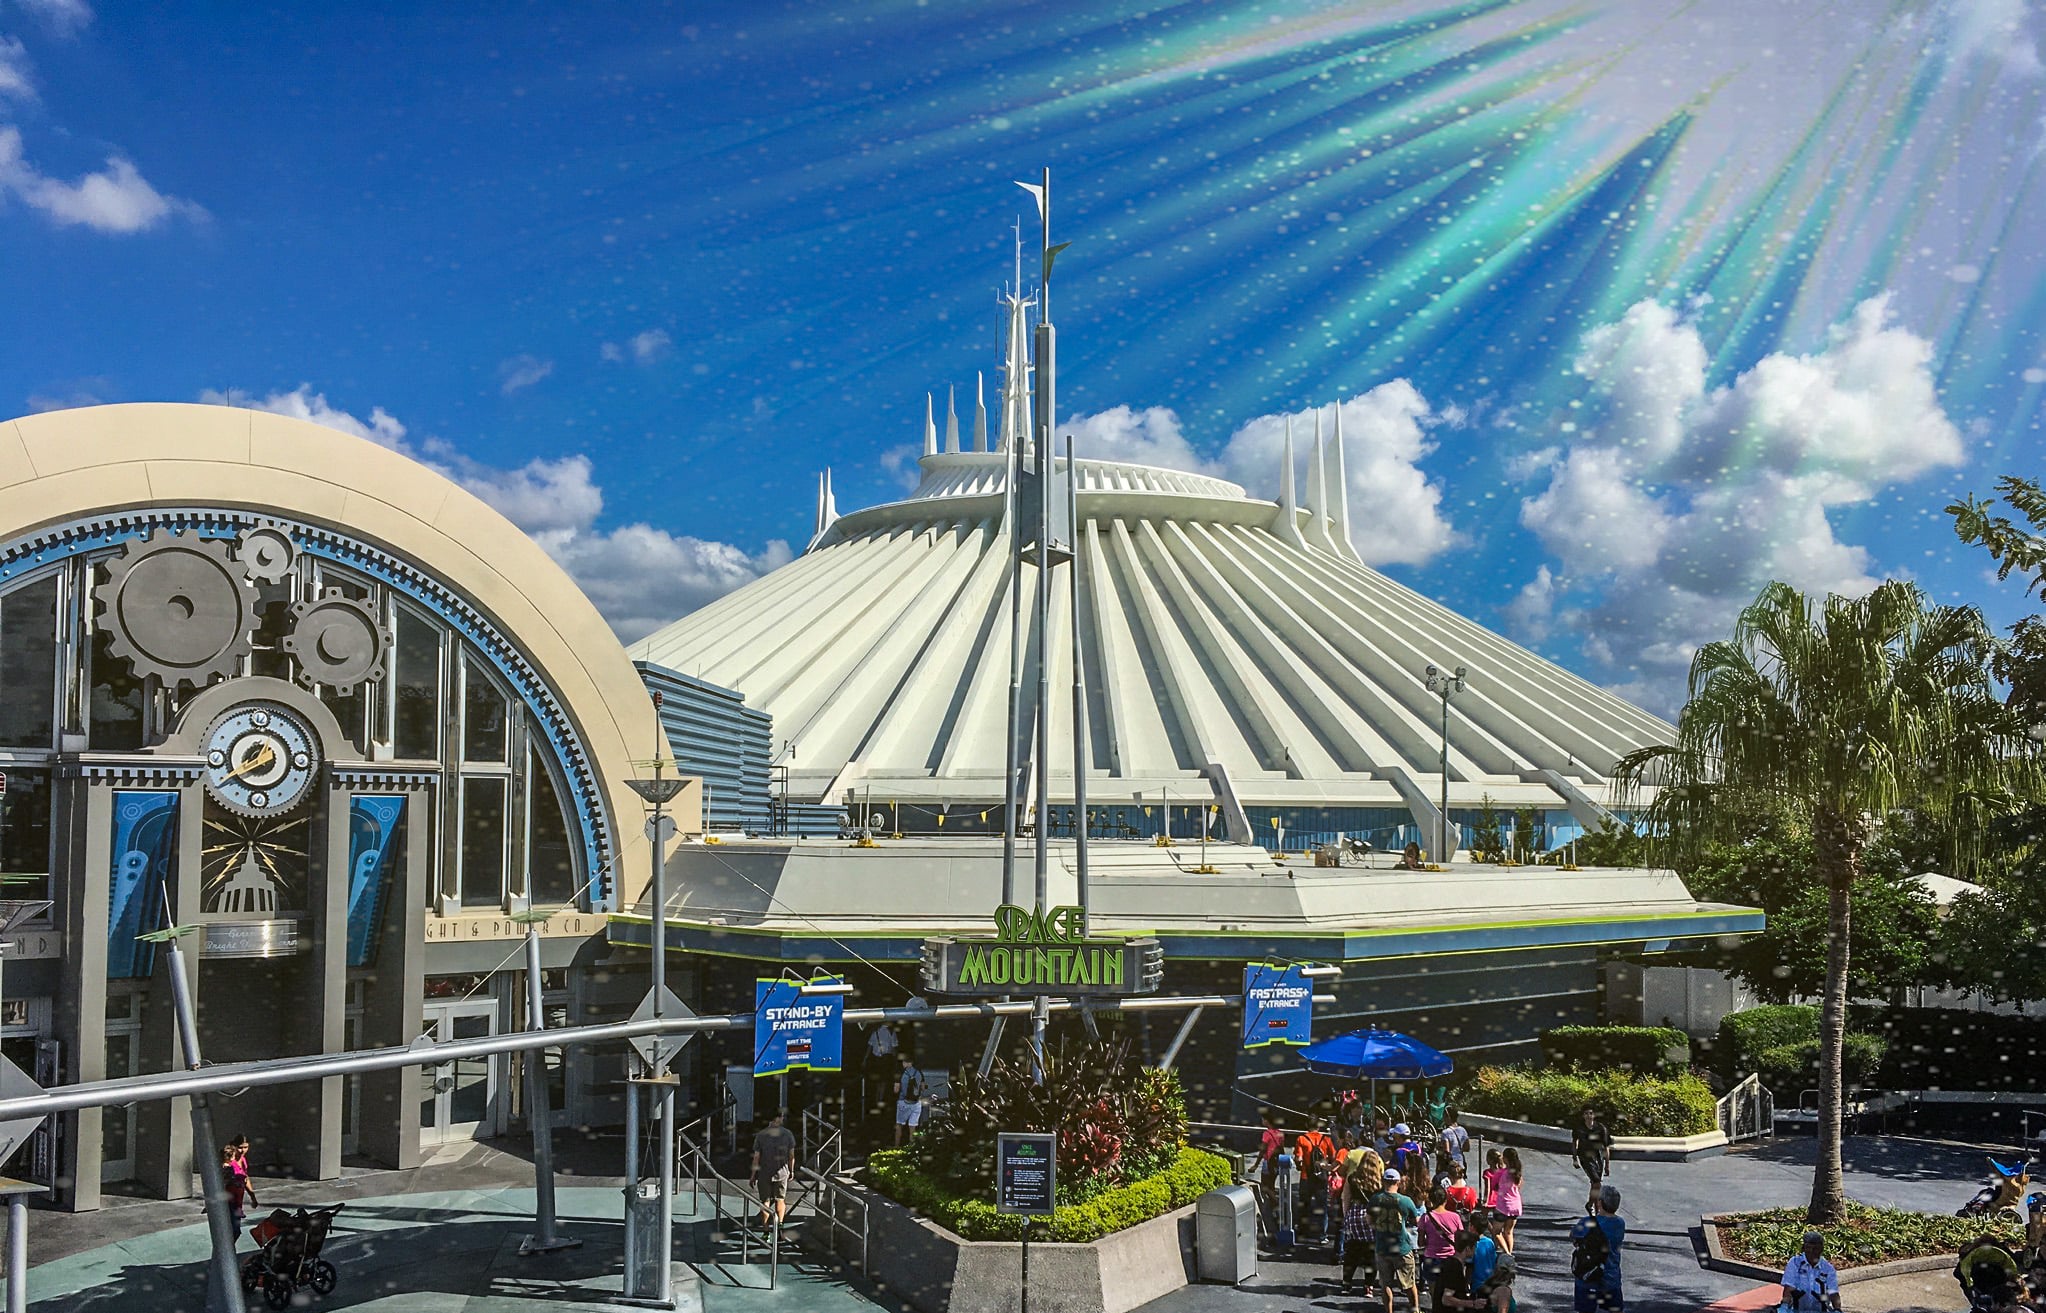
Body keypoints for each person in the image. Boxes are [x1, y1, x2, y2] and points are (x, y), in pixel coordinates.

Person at [1369, 1169, 1423, 1313]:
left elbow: (1369, 1220)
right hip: (1402, 1246)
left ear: (1383, 1181)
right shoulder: (1405, 1201)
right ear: (1398, 1182)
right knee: (1409, 1283)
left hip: (1382, 1247)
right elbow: (1416, 1221)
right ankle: (1415, 1309)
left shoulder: (1375, 1199)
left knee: (1385, 1284)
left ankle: (1389, 1311)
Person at [1570, 1183, 1626, 1313]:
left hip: (1588, 1276)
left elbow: (1573, 1236)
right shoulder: (1620, 1223)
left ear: (1600, 1203)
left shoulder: (1587, 1222)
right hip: (1611, 1278)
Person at [751, 1107, 798, 1229]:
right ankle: (780, 1227)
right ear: (779, 1118)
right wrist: (791, 1171)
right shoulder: (788, 1134)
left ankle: (766, 1230)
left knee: (765, 1201)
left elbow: (756, 1157)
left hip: (764, 1172)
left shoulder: (761, 1135)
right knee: (780, 1199)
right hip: (782, 1172)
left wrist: (752, 1176)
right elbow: (791, 1156)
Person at [1295, 1117, 1338, 1247]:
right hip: (1322, 1177)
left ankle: (1303, 1232)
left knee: (1304, 1205)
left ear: (1307, 1125)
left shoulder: (1301, 1139)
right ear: (1318, 1127)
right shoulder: (1326, 1139)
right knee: (1323, 1207)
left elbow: (1298, 1158)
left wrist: (1299, 1165)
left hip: (1306, 1177)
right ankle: (1322, 1236)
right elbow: (1333, 1157)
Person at [1418, 1185, 1464, 1303]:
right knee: (1450, 1293)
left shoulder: (1425, 1218)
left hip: (1431, 1258)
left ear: (1431, 1200)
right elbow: (1460, 1239)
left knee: (1434, 1293)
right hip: (1451, 1259)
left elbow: (1420, 1242)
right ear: (1446, 1199)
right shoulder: (1455, 1217)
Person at [1778, 1230, 1841, 1312]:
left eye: (1815, 1249)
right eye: (1808, 1248)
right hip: (1797, 1310)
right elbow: (1789, 1288)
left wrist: (1837, 1309)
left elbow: (1833, 1293)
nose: (1811, 1251)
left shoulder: (1828, 1269)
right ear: (1803, 1248)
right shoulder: (1795, 1263)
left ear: (1821, 1249)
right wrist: (1784, 1306)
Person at [1572, 1106, 1614, 1215]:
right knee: (1596, 1183)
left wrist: (1607, 1165)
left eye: (1590, 1113)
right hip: (1585, 1158)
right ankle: (1596, 1209)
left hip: (1598, 1158)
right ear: (1583, 1116)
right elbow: (1574, 1143)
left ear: (1594, 1115)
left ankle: (1590, 1204)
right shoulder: (1579, 1128)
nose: (1588, 1116)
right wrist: (1575, 1158)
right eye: (1586, 1113)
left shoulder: (1601, 1128)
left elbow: (1606, 1147)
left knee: (1595, 1185)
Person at [1341, 1172, 1378, 1294]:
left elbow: (1346, 1197)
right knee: (1371, 1254)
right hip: (1371, 1214)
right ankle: (1369, 1286)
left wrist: (1346, 1215)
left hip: (1355, 1214)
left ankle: (1346, 1284)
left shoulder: (1352, 1178)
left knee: (1352, 1252)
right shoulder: (1377, 1178)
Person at [1484, 1147, 1523, 1253]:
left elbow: (1493, 1187)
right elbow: (1518, 1186)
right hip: (1515, 1205)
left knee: (1496, 1232)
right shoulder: (1518, 1174)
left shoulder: (1501, 1173)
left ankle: (1507, 1253)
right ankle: (1510, 1254)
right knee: (1509, 1232)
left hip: (1503, 1206)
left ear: (1505, 1159)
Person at [894, 1054, 926, 1147]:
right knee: (912, 1127)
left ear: (906, 1063)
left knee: (899, 1125)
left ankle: (896, 1146)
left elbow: (896, 1090)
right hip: (916, 1103)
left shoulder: (900, 1073)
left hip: (903, 1102)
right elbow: (923, 1088)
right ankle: (911, 1148)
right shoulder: (919, 1072)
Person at [1437, 1110, 1470, 1175]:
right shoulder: (1463, 1130)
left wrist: (1439, 1147)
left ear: (1448, 1117)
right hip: (1460, 1161)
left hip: (1451, 1163)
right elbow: (1467, 1147)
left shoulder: (1446, 1132)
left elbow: (1447, 1150)